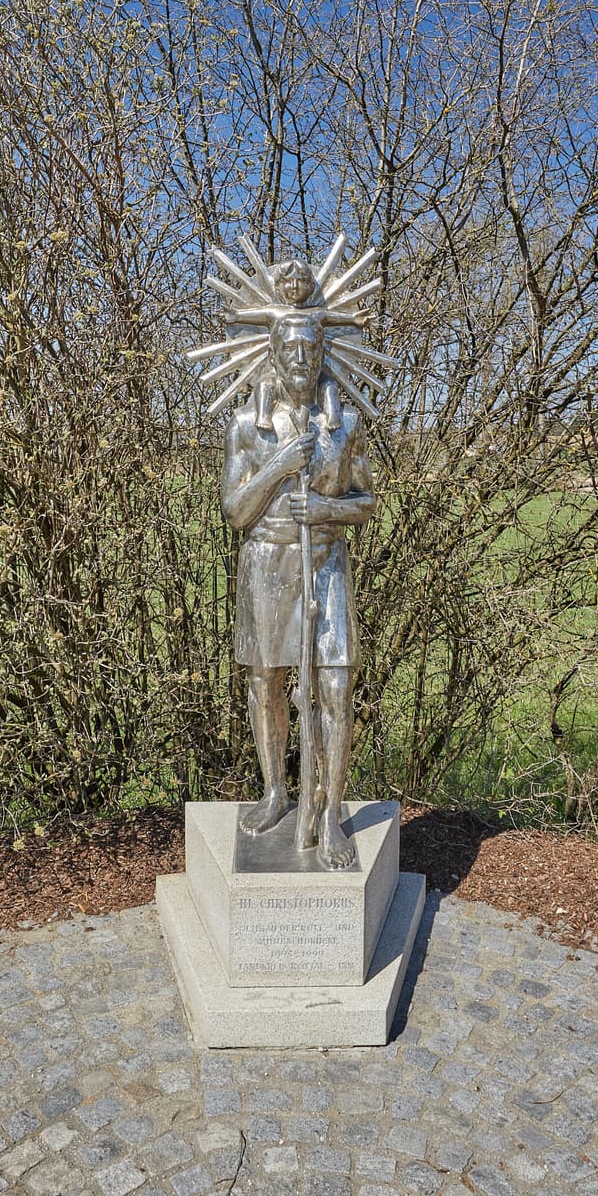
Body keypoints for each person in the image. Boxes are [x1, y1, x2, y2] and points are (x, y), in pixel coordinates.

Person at [219, 274, 376, 871]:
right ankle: (277, 790)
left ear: (325, 351)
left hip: (324, 562)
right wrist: (281, 466)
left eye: (312, 349)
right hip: (266, 560)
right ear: (272, 353)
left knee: (334, 687)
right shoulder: (246, 426)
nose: (302, 360)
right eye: (291, 350)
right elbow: (235, 511)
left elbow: (367, 500)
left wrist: (330, 508)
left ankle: (330, 812)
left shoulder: (344, 424)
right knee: (267, 683)